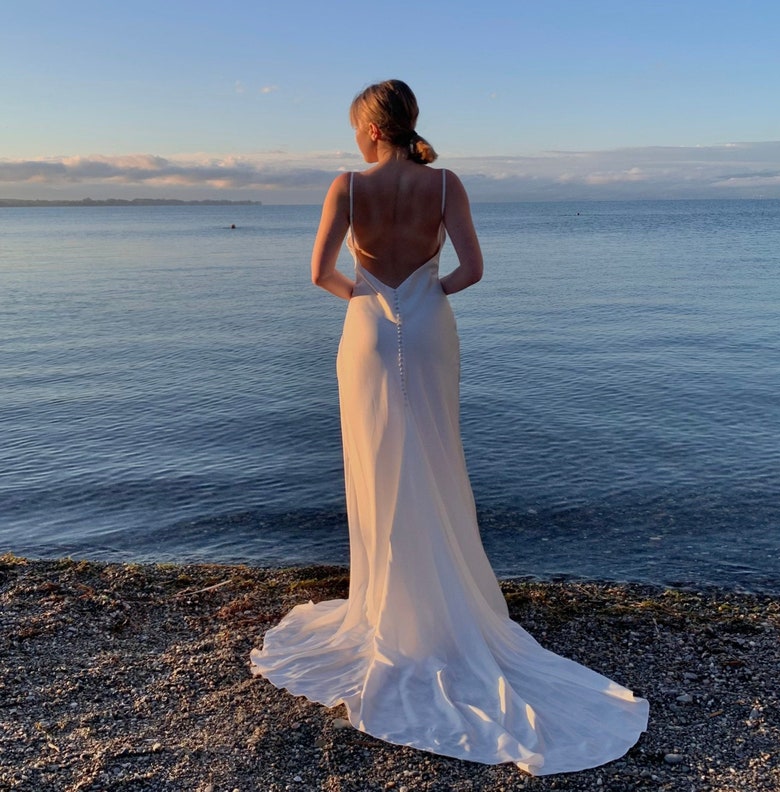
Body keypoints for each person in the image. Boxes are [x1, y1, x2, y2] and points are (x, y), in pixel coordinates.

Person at [251, 79, 648, 776]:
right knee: (434, 458)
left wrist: (373, 297)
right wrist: (425, 292)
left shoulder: (346, 186)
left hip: (369, 330)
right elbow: (474, 269)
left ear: (372, 130)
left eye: (355, 128)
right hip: (431, 327)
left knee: (375, 463)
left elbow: (320, 273)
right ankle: (443, 609)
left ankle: (386, 607)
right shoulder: (445, 186)